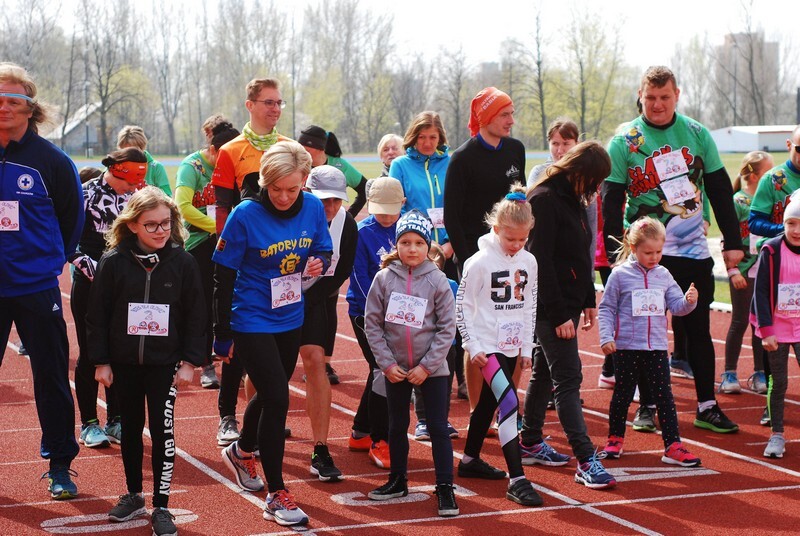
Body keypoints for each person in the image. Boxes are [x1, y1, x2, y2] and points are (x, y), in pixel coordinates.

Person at [602, 65, 744, 434]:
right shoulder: (625, 140)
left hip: (693, 251)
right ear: (640, 96)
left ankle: (707, 406)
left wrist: (733, 242)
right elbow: (611, 199)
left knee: (698, 329)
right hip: (647, 256)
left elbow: (719, 189)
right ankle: (647, 405)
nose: (657, 104)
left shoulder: (697, 134)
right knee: (645, 334)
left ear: (676, 95)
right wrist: (614, 252)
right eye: (650, 97)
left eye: (664, 97)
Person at [213, 140, 332, 527]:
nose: (283, 197)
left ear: (304, 182)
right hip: (250, 316)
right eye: (276, 188)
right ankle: (277, 494)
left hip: (290, 314)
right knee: (279, 397)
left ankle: (242, 450)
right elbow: (223, 275)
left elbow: (323, 249)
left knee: (269, 393)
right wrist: (222, 332)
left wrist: (319, 261)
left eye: (292, 189)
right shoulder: (246, 214)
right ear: (265, 182)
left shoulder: (313, 207)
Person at [86, 187, 205, 536]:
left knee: (163, 432)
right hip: (124, 363)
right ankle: (134, 494)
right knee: (130, 430)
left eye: (165, 223)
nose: (160, 231)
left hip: (164, 364)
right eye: (151, 224)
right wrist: (101, 361)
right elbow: (97, 315)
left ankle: (162, 505)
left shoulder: (183, 262)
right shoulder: (113, 261)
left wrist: (190, 361)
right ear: (133, 225)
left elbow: (197, 315)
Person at [0, 62, 83, 499]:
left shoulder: (52, 161)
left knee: (51, 377)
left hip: (35, 287)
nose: (4, 107)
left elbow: (72, 220)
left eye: (14, 100)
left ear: (31, 108)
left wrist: (48, 261)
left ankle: (60, 466)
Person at [521, 141, 616, 490]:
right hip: (550, 306)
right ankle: (586, 459)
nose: (597, 188)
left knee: (545, 372)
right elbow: (540, 262)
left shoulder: (573, 197)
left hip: (569, 302)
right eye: (596, 180)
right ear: (581, 173)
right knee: (568, 377)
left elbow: (580, 252)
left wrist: (588, 297)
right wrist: (560, 314)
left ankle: (530, 440)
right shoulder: (544, 199)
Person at [364, 210, 459, 517]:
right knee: (396, 425)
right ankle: (398, 480)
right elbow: (372, 324)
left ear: (428, 245)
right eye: (405, 242)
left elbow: (447, 328)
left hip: (432, 370)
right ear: (397, 244)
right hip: (396, 369)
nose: (412, 249)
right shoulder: (383, 279)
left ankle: (445, 486)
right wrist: (387, 364)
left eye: (419, 243)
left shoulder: (438, 280)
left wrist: (427, 367)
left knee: (437, 427)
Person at [456, 185, 543, 507]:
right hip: (486, 345)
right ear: (496, 229)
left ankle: (469, 460)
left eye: (523, 239)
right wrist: (472, 344)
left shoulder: (529, 261)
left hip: (511, 344)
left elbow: (529, 305)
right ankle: (517, 479)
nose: (516, 245)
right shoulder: (479, 262)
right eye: (510, 238)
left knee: (489, 404)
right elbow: (462, 305)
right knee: (508, 401)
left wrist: (526, 348)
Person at [444, 87, 526, 421]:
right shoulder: (462, 158)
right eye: (504, 114)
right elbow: (452, 217)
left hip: (511, 256)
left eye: (511, 113)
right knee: (478, 337)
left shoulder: (516, 150)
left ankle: (509, 409)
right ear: (486, 117)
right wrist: (468, 262)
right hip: (475, 259)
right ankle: (478, 409)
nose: (511, 120)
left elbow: (519, 201)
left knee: (513, 329)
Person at [598, 217, 702, 467]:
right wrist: (606, 337)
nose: (654, 257)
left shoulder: (664, 275)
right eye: (648, 252)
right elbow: (607, 308)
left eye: (658, 252)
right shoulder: (619, 275)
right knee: (622, 395)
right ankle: (614, 439)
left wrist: (689, 301)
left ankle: (673, 445)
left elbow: (677, 307)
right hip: (626, 347)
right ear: (633, 248)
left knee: (664, 397)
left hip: (656, 347)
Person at [70, 148, 148, 450]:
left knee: (121, 352)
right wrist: (94, 269)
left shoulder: (138, 197)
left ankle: (116, 419)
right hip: (89, 284)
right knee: (91, 352)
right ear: (116, 170)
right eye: (129, 180)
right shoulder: (84, 193)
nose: (133, 186)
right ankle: (89, 423)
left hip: (125, 286)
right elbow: (66, 239)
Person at [174, 119, 241, 442]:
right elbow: (183, 206)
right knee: (201, 302)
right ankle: (205, 363)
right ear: (213, 150)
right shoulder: (193, 166)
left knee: (226, 303)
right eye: (224, 155)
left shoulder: (238, 166)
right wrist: (218, 227)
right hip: (201, 241)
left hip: (231, 242)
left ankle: (227, 358)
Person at [299, 165, 357, 482]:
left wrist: (307, 299)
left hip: (314, 298)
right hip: (271, 300)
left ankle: (320, 448)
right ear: (307, 193)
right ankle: (253, 436)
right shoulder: (289, 214)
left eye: (336, 199)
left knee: (315, 360)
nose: (330, 207)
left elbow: (342, 270)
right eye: (324, 200)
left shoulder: (347, 224)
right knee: (271, 369)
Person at [346, 176, 404, 469]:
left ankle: (360, 431)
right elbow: (358, 278)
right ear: (369, 204)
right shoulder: (361, 233)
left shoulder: (407, 227)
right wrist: (381, 309)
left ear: (402, 204)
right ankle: (381, 439)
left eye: (392, 210)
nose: (386, 217)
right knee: (384, 369)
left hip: (401, 313)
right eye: (380, 210)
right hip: (365, 313)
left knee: (378, 369)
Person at [751, 193, 800, 458]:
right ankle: (777, 434)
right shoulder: (771, 249)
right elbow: (760, 292)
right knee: (778, 381)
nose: (796, 230)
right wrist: (766, 330)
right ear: (783, 222)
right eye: (791, 223)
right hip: (777, 328)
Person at [720, 151, 772, 394]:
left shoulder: (767, 200)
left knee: (761, 324)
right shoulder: (737, 202)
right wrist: (732, 271)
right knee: (740, 320)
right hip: (742, 272)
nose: (775, 176)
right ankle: (729, 373)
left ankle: (760, 372)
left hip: (765, 270)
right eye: (768, 172)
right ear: (753, 176)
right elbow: (726, 239)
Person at [212, 78, 292, 233]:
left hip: (288, 237)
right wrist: (223, 246)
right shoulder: (229, 151)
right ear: (250, 105)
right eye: (269, 103)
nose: (276, 109)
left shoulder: (292, 148)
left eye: (279, 103)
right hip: (249, 237)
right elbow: (222, 208)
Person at [297, 125, 368, 217]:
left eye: (306, 151)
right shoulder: (296, 165)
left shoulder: (341, 166)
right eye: (300, 149)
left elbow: (365, 189)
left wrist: (349, 216)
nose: (301, 154)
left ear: (321, 149)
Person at [116, 125, 172, 197]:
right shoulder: (115, 167)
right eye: (125, 151)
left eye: (134, 150)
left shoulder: (156, 168)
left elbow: (167, 197)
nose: (129, 155)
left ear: (142, 147)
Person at [526, 119, 579, 188]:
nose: (560, 150)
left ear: (577, 144)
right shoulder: (538, 173)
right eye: (555, 144)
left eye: (566, 144)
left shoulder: (586, 173)